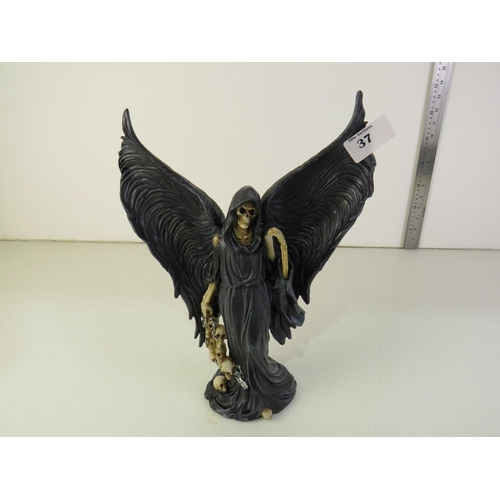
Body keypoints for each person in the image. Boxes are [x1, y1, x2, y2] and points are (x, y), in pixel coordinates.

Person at [201, 186, 303, 421]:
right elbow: (215, 276)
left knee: (255, 345)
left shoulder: (262, 240)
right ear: (234, 211)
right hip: (231, 299)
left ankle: (262, 390)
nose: (247, 216)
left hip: (257, 298)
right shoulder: (222, 243)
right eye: (242, 211)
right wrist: (207, 298)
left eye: (252, 212)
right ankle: (243, 387)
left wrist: (283, 247)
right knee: (239, 348)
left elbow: (276, 274)